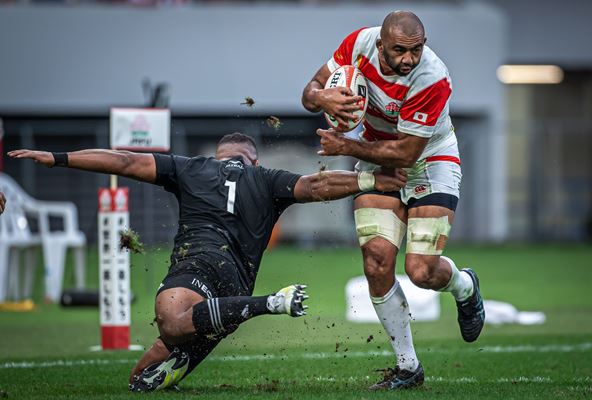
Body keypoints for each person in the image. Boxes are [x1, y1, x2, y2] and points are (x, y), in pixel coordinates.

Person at [8, 132, 406, 392]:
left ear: (218, 156)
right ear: (253, 160)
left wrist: (58, 157)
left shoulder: (191, 168)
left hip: (195, 268)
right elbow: (317, 185)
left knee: (170, 322)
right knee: (140, 380)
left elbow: (125, 161)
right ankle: (226, 320)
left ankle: (269, 303)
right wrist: (370, 181)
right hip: (232, 291)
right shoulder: (267, 178)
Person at [302, 10, 485, 390]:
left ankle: (465, 287)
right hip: (374, 152)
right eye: (400, 50)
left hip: (430, 159)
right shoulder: (358, 43)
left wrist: (345, 146)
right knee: (376, 263)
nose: (408, 59)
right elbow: (309, 93)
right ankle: (408, 367)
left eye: (416, 50)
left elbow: (406, 153)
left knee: (421, 271)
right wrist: (323, 97)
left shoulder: (432, 77)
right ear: (381, 43)